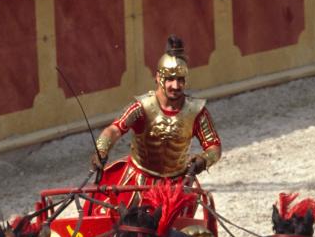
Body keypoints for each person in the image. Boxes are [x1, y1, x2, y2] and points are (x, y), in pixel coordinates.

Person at [89, 34, 222, 196]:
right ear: (159, 78)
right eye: (170, 79)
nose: (176, 85)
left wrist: (204, 159)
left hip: (175, 185)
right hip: (138, 182)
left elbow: (214, 146)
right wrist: (102, 148)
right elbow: (115, 129)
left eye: (180, 79)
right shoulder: (142, 107)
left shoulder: (197, 112)